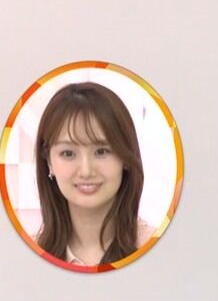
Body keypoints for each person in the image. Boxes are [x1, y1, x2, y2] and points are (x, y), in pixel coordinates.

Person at [31, 81, 155, 267]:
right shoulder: (27, 255)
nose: (86, 171)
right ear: (49, 162)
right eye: (68, 153)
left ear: (125, 158)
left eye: (101, 151)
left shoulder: (157, 249)